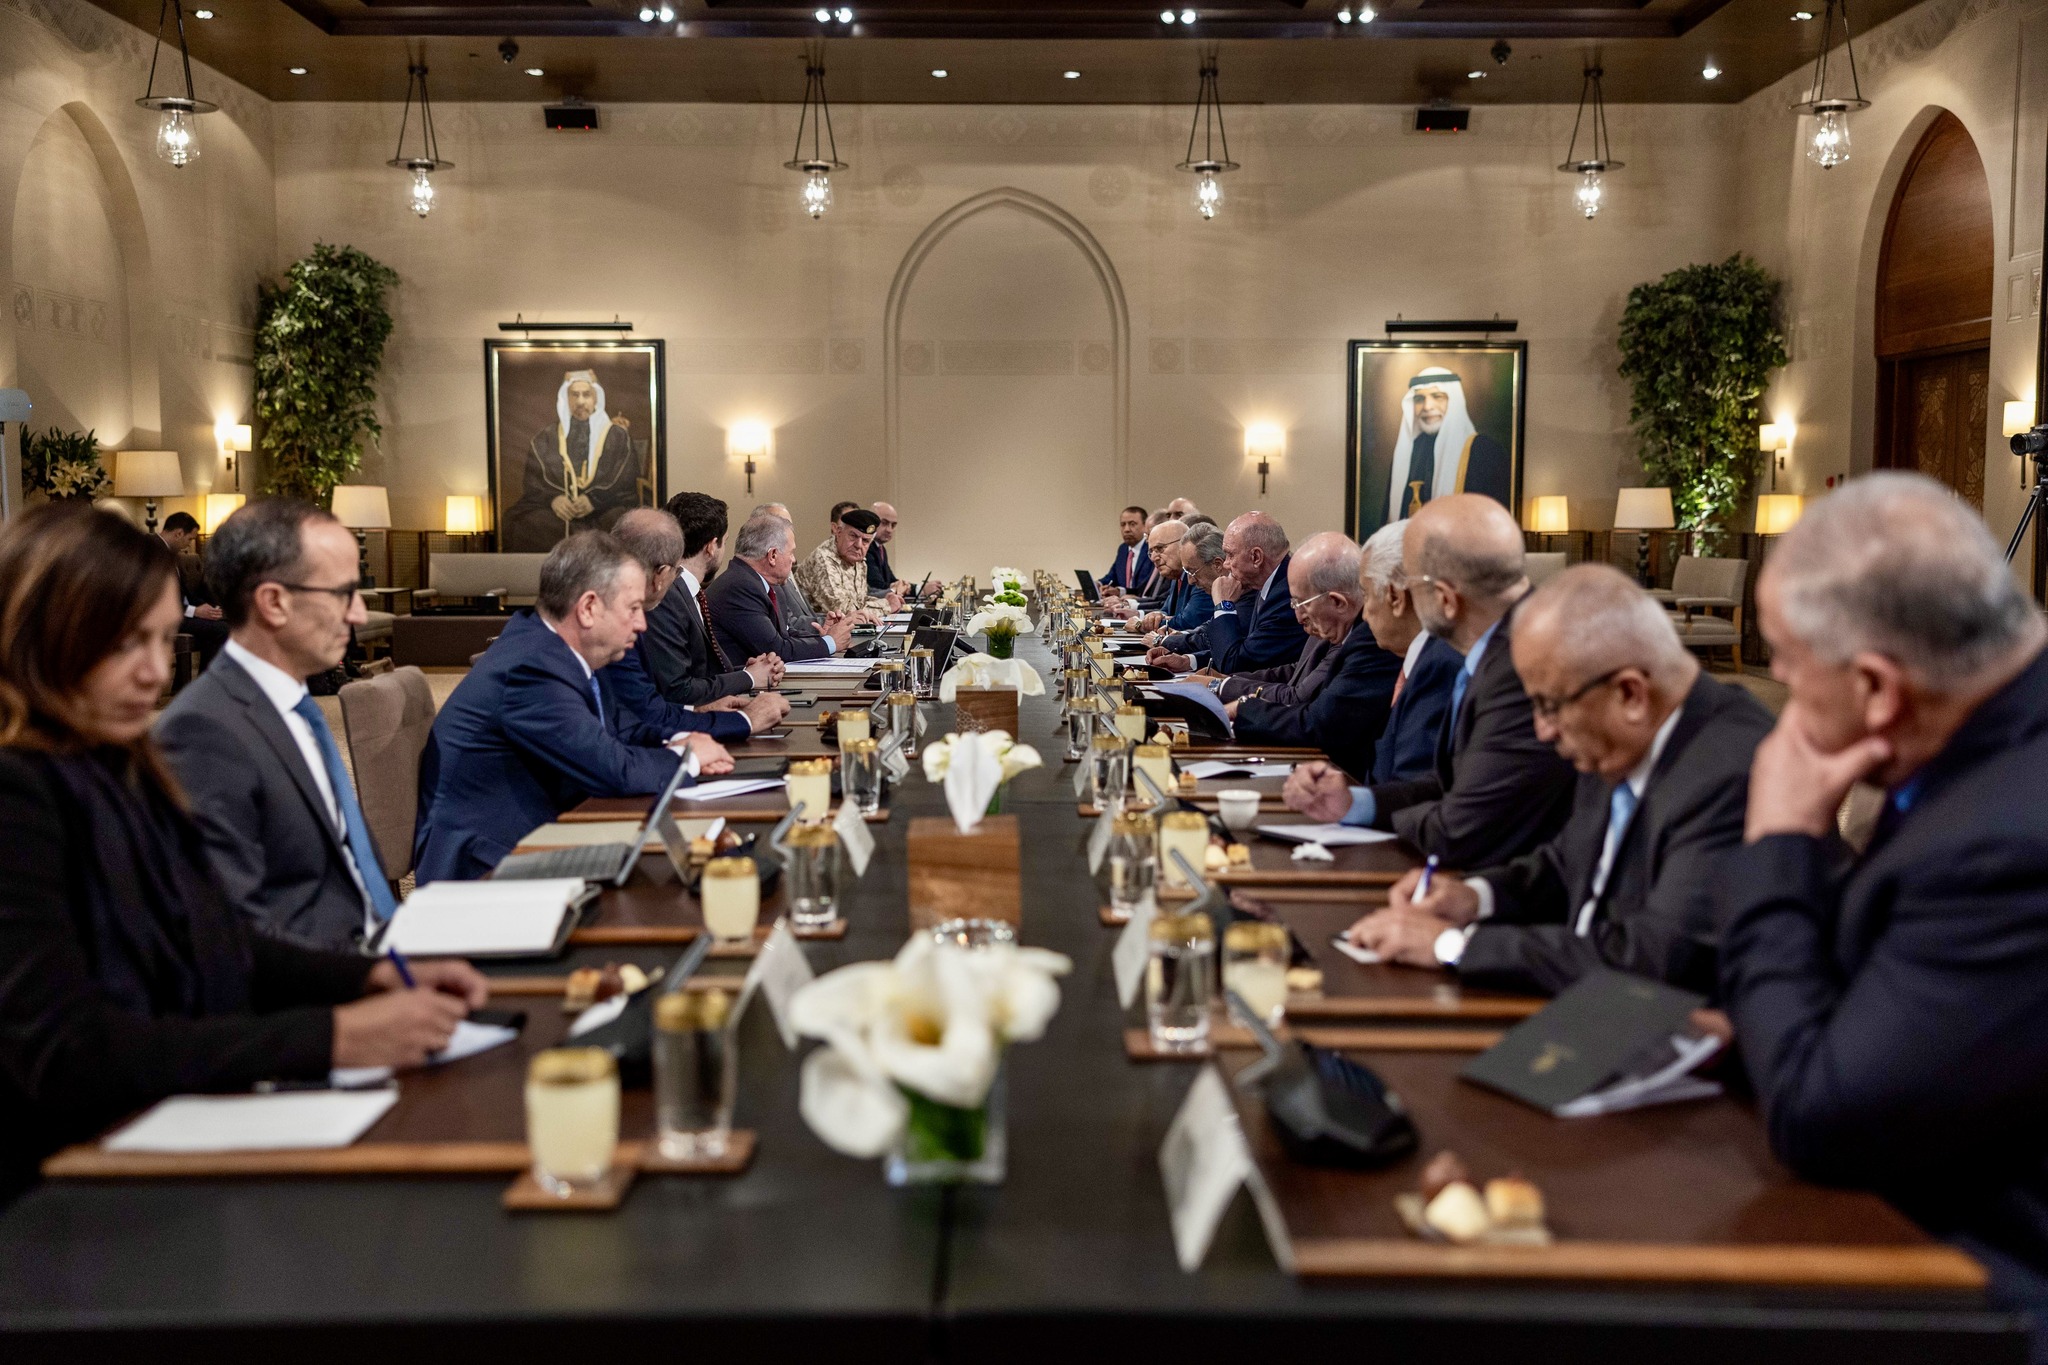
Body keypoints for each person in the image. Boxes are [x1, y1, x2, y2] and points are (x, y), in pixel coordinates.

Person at [0, 503, 488, 1193]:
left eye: (163, 640)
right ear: (46, 636)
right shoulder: (18, 794)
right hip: (70, 1189)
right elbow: (66, 1053)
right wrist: (334, 1036)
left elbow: (216, 940)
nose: (156, 673)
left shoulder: (120, 764)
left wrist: (364, 978)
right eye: (127, 644)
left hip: (163, 1131)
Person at [1714, 473, 2048, 1349]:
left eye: (1785, 658)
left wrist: (1780, 840)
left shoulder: (2005, 845)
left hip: (1976, 1289)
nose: (1776, 678)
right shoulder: (1990, 744)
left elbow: (1822, 1119)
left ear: (1876, 687)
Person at [1347, 564, 1770, 996]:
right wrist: (1474, 897)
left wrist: (1452, 946)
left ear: (1630, 694)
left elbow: (1657, 957)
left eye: (1549, 706)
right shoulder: (1617, 738)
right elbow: (1568, 862)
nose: (1542, 730)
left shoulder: (1729, 772)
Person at [414, 532, 734, 882]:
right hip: (484, 864)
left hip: (538, 830)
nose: (642, 623)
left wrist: (683, 743)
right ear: (588, 608)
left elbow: (620, 730)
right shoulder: (532, 667)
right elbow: (610, 768)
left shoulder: (558, 651)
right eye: (632, 609)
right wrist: (686, 758)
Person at [1282, 494, 1574, 868]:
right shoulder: (1491, 647)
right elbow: (1448, 782)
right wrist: (1355, 802)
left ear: (1445, 599)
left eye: (1411, 583)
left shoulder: (1521, 665)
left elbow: (1462, 828)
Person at [156, 499, 396, 952]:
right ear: (274, 602)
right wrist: (376, 977)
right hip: (329, 978)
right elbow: (234, 935)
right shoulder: (204, 733)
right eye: (343, 593)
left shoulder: (297, 708)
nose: (359, 615)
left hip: (381, 946)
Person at [600, 509, 787, 744]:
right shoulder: (622, 628)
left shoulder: (619, 620)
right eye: (676, 570)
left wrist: (697, 711)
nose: (639, 622)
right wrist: (746, 719)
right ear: (662, 573)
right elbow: (650, 714)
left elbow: (648, 710)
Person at [1223, 532, 1400, 779]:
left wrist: (1245, 708)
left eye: (1300, 603)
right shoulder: (1341, 630)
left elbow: (1320, 724)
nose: (1297, 616)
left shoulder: (1371, 641)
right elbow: (1299, 674)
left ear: (1338, 602)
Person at [641, 492, 783, 707]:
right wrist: (750, 678)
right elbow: (678, 689)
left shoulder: (686, 591)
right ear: (711, 546)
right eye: (724, 542)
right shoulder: (668, 596)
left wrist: (750, 671)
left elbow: (701, 671)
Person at [1354, 519, 1461, 785]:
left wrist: (1351, 800)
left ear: (1396, 597)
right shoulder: (1425, 656)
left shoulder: (1439, 666)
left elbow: (1411, 784)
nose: (1364, 615)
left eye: (1366, 595)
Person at [1151, 512, 1306, 675]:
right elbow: (1245, 648)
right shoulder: (1268, 583)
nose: (1226, 564)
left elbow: (1236, 662)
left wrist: (1223, 605)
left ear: (1256, 557)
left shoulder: (1286, 594)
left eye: (1230, 555)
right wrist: (1189, 661)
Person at [504, 370, 641, 551]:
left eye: (586, 395)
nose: (580, 401)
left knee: (620, 520)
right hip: (559, 513)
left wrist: (593, 500)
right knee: (526, 523)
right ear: (566, 399)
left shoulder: (617, 436)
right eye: (574, 395)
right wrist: (554, 499)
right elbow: (534, 480)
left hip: (604, 508)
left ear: (596, 399)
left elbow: (624, 479)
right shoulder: (545, 438)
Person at [706, 512, 854, 664]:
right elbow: (776, 650)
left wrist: (823, 635)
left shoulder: (764, 585)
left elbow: (785, 635)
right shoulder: (739, 588)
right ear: (773, 555)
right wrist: (830, 642)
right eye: (791, 552)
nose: (794, 560)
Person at [1381, 365, 1512, 524]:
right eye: (1419, 399)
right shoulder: (1408, 453)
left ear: (1454, 402)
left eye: (1437, 397)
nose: (1427, 407)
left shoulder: (1484, 451)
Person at [796, 508, 901, 620]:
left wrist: (886, 600)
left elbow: (859, 603)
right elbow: (844, 611)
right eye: (853, 536)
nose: (858, 545)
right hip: (816, 629)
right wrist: (887, 606)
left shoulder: (858, 560)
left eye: (865, 541)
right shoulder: (823, 559)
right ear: (839, 532)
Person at [158, 510, 227, 669]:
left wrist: (205, 607)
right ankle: (208, 680)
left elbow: (183, 594)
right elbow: (157, 598)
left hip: (180, 612)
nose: (189, 544)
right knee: (221, 630)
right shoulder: (154, 551)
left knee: (222, 622)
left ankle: (201, 679)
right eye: (189, 539)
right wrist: (195, 611)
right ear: (178, 533)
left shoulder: (169, 552)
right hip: (164, 617)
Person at [1100, 506, 1154, 595]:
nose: (1126, 529)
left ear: (1145, 526)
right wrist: (1099, 584)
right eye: (1123, 524)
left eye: (1132, 524)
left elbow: (1146, 588)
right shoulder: (1123, 549)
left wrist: (1120, 592)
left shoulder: (1152, 549)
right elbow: (1112, 576)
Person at [868, 501, 914, 597]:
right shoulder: (865, 548)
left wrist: (904, 585)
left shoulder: (881, 548)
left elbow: (890, 580)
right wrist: (896, 587)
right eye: (884, 523)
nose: (889, 530)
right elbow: (876, 584)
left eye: (893, 525)